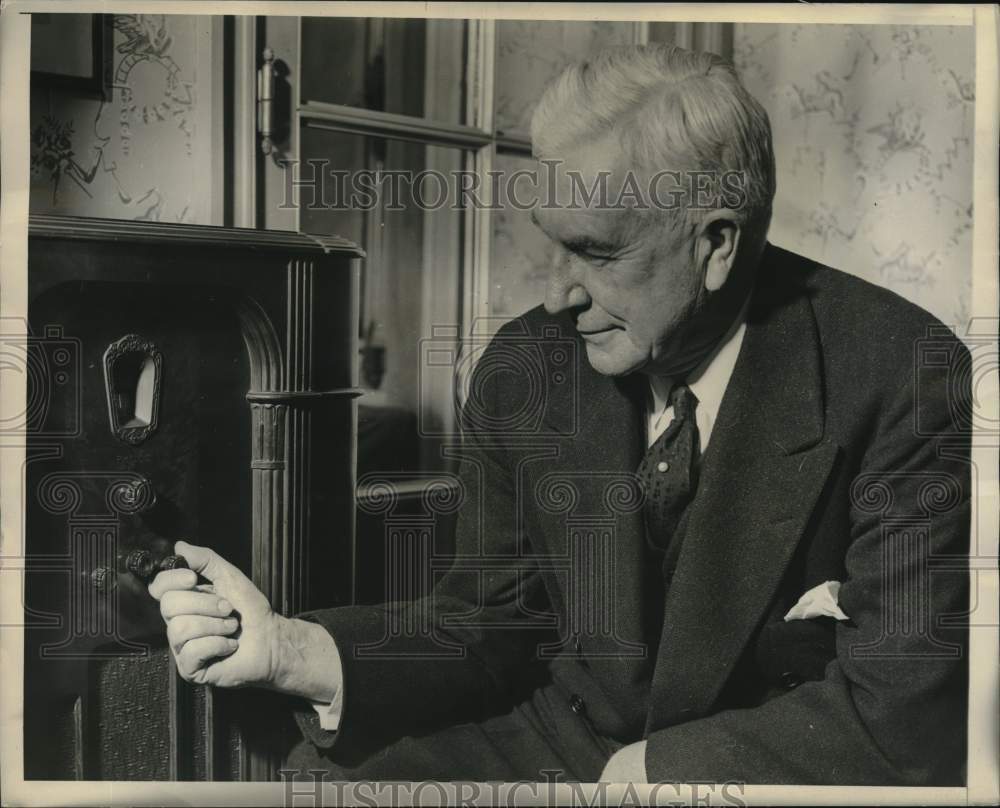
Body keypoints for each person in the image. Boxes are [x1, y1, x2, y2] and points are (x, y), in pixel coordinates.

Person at [148, 43, 970, 784]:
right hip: (561, 739)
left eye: (598, 253)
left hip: (747, 764)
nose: (556, 293)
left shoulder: (901, 372)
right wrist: (290, 651)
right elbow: (493, 624)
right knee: (316, 786)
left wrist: (665, 774)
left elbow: (899, 717)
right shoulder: (525, 367)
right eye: (551, 242)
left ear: (716, 244)